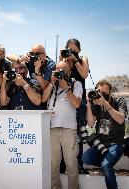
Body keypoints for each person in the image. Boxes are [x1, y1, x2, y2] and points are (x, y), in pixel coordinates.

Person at [42, 61, 82, 189]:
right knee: (53, 163)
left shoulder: (76, 84)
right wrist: (52, 83)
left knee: (71, 164)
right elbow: (43, 99)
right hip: (52, 128)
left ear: (69, 72)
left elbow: (76, 104)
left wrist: (67, 88)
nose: (59, 73)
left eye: (62, 70)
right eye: (57, 70)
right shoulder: (52, 85)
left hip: (68, 129)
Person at [82, 79, 125, 189]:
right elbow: (91, 123)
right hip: (101, 143)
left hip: (116, 143)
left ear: (110, 92)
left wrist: (105, 104)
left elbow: (120, 119)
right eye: (100, 92)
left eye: (105, 93)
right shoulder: (95, 104)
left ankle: (106, 166)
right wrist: (88, 104)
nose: (102, 95)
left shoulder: (119, 101)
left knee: (105, 165)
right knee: (86, 158)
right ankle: (107, 165)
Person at [59, 38, 90, 174]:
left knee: (79, 133)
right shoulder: (65, 59)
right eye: (69, 49)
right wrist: (64, 58)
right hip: (64, 99)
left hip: (79, 99)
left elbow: (84, 74)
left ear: (79, 49)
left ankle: (79, 164)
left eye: (74, 50)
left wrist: (75, 59)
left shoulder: (83, 58)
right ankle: (63, 165)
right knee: (63, 131)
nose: (71, 52)